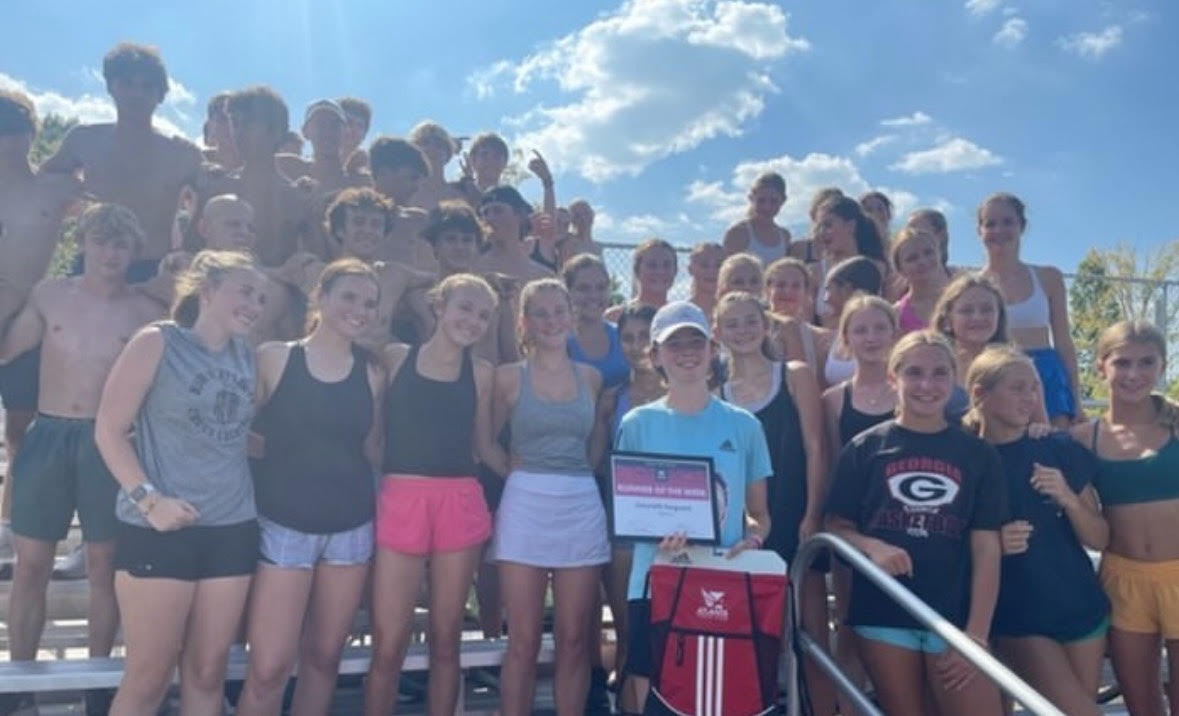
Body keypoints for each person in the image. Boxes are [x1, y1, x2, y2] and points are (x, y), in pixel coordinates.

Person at [0, 204, 163, 716]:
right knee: (30, 566)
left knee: (103, 566)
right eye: (101, 241)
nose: (110, 253)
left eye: (120, 244)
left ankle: (96, 684)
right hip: (47, 433)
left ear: (132, 252)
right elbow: (7, 352)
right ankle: (18, 684)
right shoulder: (49, 295)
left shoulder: (144, 311)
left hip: (108, 441)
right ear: (83, 244)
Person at [93, 250, 262, 716]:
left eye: (261, 297)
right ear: (206, 290)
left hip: (232, 527)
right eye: (245, 291)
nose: (255, 304)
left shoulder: (246, 356)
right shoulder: (159, 341)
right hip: (159, 530)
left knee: (207, 674)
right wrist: (151, 502)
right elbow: (108, 429)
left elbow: (230, 435)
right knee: (148, 678)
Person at [824, 330, 1006, 716]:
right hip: (884, 612)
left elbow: (987, 546)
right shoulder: (865, 448)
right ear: (893, 377)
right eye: (914, 372)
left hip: (953, 615)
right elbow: (837, 525)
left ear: (954, 380)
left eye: (940, 373)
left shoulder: (978, 454)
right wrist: (873, 547)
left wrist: (976, 634)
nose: (927, 384)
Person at [236, 259, 384, 716]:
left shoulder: (373, 372)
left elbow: (373, 449)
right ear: (320, 296)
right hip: (283, 527)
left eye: (370, 303)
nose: (359, 310)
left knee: (324, 660)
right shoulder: (275, 357)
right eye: (349, 297)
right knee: (269, 668)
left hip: (350, 530)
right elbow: (237, 432)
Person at [614, 300, 771, 712]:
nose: (686, 351)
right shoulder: (636, 424)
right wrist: (654, 530)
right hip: (655, 578)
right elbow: (632, 511)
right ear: (654, 356)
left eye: (695, 341)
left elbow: (759, 514)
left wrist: (753, 539)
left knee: (718, 692)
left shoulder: (745, 425)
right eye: (674, 343)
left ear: (712, 348)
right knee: (656, 694)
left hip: (724, 579)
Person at [365, 273, 501, 716]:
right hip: (400, 500)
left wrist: (539, 476)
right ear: (438, 306)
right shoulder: (395, 358)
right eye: (465, 307)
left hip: (458, 503)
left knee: (447, 639)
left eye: (483, 315)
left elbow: (485, 448)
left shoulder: (481, 374)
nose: (473, 320)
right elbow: (373, 438)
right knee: (389, 642)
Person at [964, 346, 1109, 716]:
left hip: (1081, 607)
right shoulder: (964, 459)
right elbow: (944, 544)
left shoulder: (1057, 447)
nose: (1029, 398)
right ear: (980, 394)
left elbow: (1099, 538)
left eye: (1034, 388)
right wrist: (993, 544)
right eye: (1017, 388)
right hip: (1017, 614)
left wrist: (1067, 498)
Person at [490, 279, 608, 716]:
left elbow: (595, 446)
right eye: (541, 313)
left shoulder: (591, 378)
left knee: (574, 638)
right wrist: (512, 473)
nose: (552, 320)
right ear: (525, 321)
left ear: (572, 316)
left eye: (560, 311)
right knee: (522, 639)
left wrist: (576, 477)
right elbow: (484, 442)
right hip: (525, 506)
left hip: (579, 505)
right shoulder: (507, 377)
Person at [715, 291, 835, 715]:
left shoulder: (794, 375)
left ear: (766, 325)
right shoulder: (717, 389)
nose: (743, 330)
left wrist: (812, 513)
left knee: (812, 632)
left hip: (794, 514)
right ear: (719, 332)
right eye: (732, 324)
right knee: (748, 633)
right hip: (741, 527)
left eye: (751, 320)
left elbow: (816, 447)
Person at [1069, 320, 1179, 716]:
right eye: (1123, 363)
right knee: (1141, 706)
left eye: (1146, 363)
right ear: (1101, 366)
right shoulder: (1084, 438)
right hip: (1123, 580)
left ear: (1162, 367)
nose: (1134, 374)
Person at [0, 90, 82, 562]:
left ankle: (10, 523)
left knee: (20, 429)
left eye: (16, 131)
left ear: (30, 134)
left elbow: (115, 197)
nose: (8, 142)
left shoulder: (56, 187)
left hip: (29, 315)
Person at [41, 43, 202, 277]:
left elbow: (212, 202)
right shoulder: (84, 140)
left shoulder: (182, 154)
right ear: (111, 87)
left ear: (160, 95)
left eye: (147, 86)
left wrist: (185, 250)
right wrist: (72, 200)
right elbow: (40, 183)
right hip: (91, 268)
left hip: (154, 272)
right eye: (127, 83)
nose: (136, 94)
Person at [587, 305, 664, 693]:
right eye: (629, 338)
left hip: (676, 520)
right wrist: (600, 419)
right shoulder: (613, 396)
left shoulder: (680, 394)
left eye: (645, 336)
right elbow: (595, 461)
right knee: (626, 624)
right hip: (624, 518)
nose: (638, 346)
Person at [142, 194, 308, 345]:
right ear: (204, 228)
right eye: (233, 224)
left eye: (251, 228)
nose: (244, 232)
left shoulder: (275, 290)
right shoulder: (180, 274)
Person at [978, 193, 1081, 427]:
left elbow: (1064, 341)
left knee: (1053, 451)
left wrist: (1076, 399)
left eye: (1007, 222)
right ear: (979, 230)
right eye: (990, 224)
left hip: (1046, 373)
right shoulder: (974, 285)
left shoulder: (1048, 277)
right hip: (996, 375)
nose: (999, 230)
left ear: (1021, 226)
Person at [323, 187, 436, 351]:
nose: (368, 230)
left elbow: (440, 281)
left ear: (384, 233)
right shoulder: (316, 272)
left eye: (375, 224)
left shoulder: (395, 275)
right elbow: (275, 280)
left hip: (372, 369)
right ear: (340, 230)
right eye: (359, 222)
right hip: (325, 368)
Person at [220, 86, 315, 266]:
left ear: (276, 132)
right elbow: (191, 253)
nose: (238, 133)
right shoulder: (220, 189)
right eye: (235, 123)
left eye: (249, 125)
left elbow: (314, 266)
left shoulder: (297, 198)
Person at [422, 200, 517, 364]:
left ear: (477, 247)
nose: (460, 246)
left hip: (484, 385)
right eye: (451, 239)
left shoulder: (497, 296)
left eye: (467, 240)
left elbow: (511, 359)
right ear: (434, 246)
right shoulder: (419, 295)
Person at [932, 273, 1010, 420]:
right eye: (966, 311)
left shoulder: (1016, 366)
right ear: (948, 319)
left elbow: (1037, 422)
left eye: (987, 310)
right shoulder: (931, 365)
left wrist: (1038, 428)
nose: (977, 317)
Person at [565, 254, 629, 389]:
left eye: (601, 288)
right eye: (583, 288)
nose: (594, 296)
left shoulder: (624, 337)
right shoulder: (558, 342)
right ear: (567, 292)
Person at [812, 195, 889, 303]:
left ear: (850, 226)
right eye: (819, 227)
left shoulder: (878, 268)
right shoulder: (816, 272)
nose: (821, 232)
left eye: (828, 225)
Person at [821, 256, 884, 387]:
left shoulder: (883, 337)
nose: (825, 299)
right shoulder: (836, 337)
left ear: (846, 289)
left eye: (828, 289)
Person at [475, 186, 553, 283]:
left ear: (519, 215)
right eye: (485, 213)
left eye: (498, 211)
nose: (489, 218)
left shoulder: (543, 277)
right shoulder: (473, 270)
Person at [765, 257, 829, 373]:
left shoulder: (819, 337)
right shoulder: (753, 331)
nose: (788, 291)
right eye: (780, 285)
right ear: (768, 290)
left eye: (796, 286)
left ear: (806, 292)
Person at [891, 225, 949, 335]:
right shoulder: (896, 315)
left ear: (939, 255)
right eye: (912, 258)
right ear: (900, 269)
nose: (922, 261)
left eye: (928, 253)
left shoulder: (959, 302)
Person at [722, 172, 791, 263]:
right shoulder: (739, 233)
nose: (767, 207)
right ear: (751, 199)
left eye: (773, 201)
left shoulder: (784, 236)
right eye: (761, 200)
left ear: (783, 201)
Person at [603, 238, 677, 323]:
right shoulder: (615, 317)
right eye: (652, 265)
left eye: (666, 265)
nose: (660, 271)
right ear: (637, 270)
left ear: (675, 271)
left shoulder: (681, 317)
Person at [407, 121, 465, 210]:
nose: (432, 148)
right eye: (425, 143)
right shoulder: (403, 193)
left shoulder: (461, 194)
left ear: (448, 154)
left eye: (439, 145)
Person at [904, 208, 952, 274]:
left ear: (941, 235)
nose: (909, 237)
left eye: (918, 232)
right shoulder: (895, 281)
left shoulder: (964, 280)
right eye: (908, 232)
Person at [201, 92, 241, 170]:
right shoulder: (192, 167)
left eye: (235, 118)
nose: (230, 124)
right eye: (224, 118)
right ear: (210, 126)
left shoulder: (263, 169)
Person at [686, 242, 724, 318]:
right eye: (704, 265)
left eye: (718, 265)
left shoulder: (733, 310)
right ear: (690, 270)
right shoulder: (683, 312)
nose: (712, 271)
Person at [338, 96, 372, 179]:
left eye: (360, 125)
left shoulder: (370, 177)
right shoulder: (308, 169)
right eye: (349, 122)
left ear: (365, 134)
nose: (354, 129)